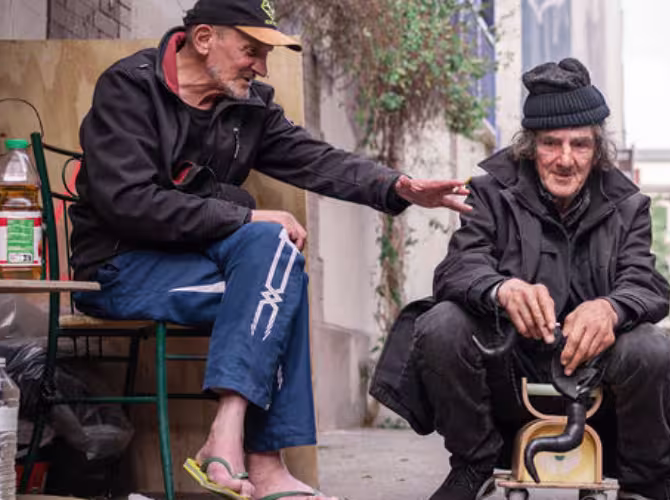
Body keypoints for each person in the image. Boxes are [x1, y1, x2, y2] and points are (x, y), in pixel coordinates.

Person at [68, 0, 471, 498]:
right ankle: (261, 462)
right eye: (251, 50)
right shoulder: (130, 88)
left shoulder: (247, 108)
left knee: (273, 255)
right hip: (120, 270)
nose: (260, 66)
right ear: (204, 39)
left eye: (265, 54)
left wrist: (399, 186)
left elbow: (318, 160)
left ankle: (230, 433)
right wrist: (243, 217)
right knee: (281, 275)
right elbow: (127, 202)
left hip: (195, 267)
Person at [370, 58, 670, 500]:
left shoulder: (628, 205)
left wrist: (610, 308)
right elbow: (458, 268)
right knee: (440, 323)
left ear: (597, 149)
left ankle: (643, 477)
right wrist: (502, 289)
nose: (566, 160)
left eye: (580, 145)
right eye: (551, 144)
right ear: (530, 147)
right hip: (508, 363)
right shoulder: (489, 193)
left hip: (595, 367)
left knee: (650, 346)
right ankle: (474, 463)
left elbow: (645, 283)